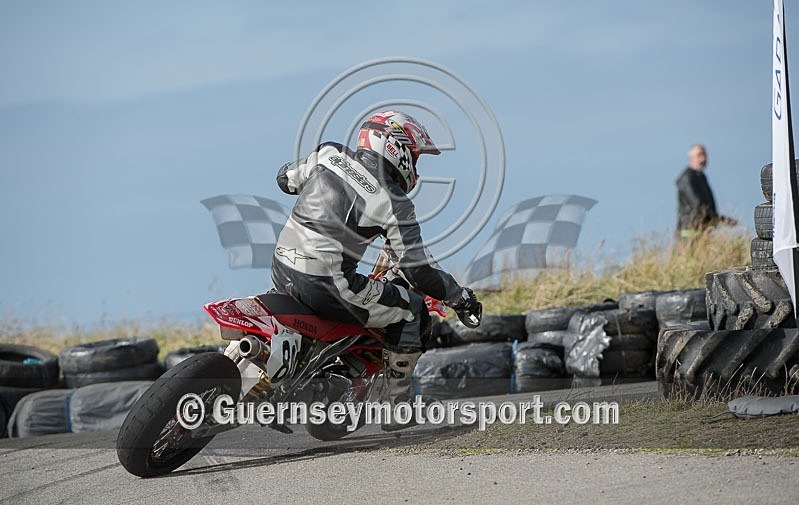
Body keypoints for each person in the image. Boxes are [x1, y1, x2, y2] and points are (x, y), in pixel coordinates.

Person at [270, 110, 479, 429]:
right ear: (398, 149)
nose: (415, 167)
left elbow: (284, 179)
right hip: (327, 284)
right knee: (412, 310)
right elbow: (418, 270)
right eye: (415, 156)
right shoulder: (395, 202)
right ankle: (399, 406)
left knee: (355, 296)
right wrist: (459, 297)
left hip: (282, 265)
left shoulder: (329, 154)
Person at [676, 144, 737, 238]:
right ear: (691, 158)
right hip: (690, 234)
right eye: (699, 155)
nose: (703, 159)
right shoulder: (687, 178)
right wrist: (720, 219)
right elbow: (698, 205)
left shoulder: (701, 177)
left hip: (703, 232)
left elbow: (706, 208)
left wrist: (724, 220)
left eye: (704, 155)